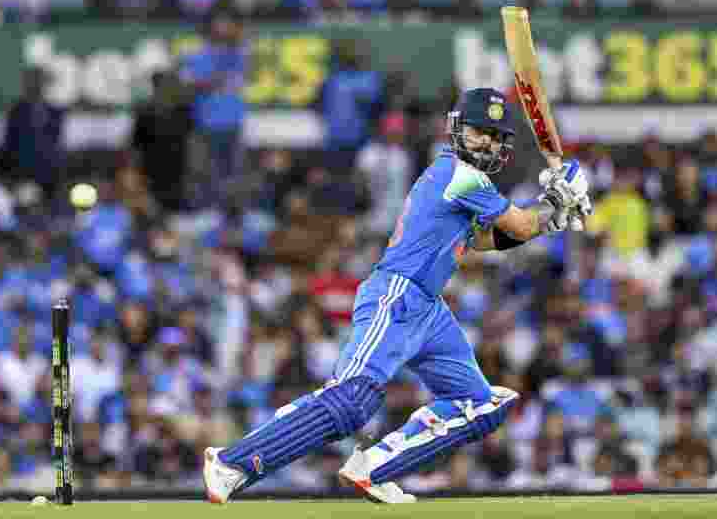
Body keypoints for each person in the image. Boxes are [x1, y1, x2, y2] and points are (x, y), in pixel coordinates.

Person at [202, 88, 592, 504]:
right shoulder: (460, 173)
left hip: (428, 308)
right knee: (351, 401)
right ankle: (234, 461)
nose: (490, 144)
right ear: (458, 129)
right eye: (482, 132)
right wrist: (555, 200)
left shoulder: (463, 182)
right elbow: (518, 225)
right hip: (398, 294)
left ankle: (376, 467)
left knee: (478, 403)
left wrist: (552, 216)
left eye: (497, 137)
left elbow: (485, 239)